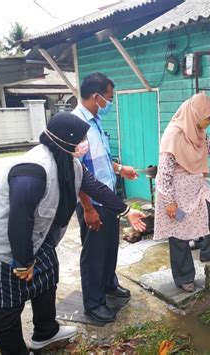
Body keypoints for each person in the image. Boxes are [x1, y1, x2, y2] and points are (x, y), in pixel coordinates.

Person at [0, 112, 145, 354]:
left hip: (37, 239)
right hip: (5, 245)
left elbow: (95, 187)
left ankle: (45, 332)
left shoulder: (70, 162)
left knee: (46, 281)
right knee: (8, 306)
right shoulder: (31, 170)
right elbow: (19, 220)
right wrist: (23, 261)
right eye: (81, 140)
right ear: (67, 141)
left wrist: (126, 210)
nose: (84, 145)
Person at [154, 93, 210, 293]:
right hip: (176, 196)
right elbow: (164, 174)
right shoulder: (173, 135)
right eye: (209, 116)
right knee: (179, 236)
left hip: (197, 189)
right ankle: (184, 277)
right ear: (196, 115)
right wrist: (170, 202)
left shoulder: (197, 132)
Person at [72, 72, 139, 323]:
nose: (110, 103)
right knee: (94, 253)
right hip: (92, 203)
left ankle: (109, 284)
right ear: (96, 96)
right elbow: (75, 170)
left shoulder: (96, 121)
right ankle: (94, 303)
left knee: (111, 247)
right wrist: (88, 207)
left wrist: (121, 169)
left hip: (108, 198)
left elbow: (99, 160)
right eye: (108, 98)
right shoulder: (76, 124)